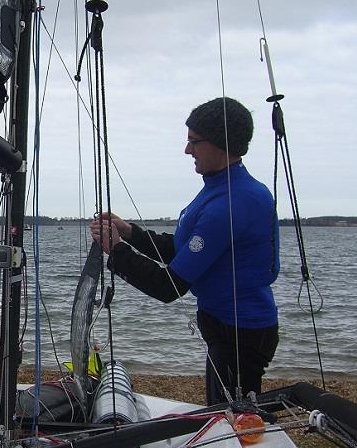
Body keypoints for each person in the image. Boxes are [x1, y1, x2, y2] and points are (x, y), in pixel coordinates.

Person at [90, 97, 279, 405]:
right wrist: (131, 234)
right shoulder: (221, 188)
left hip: (240, 334)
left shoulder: (233, 202)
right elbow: (184, 249)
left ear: (220, 143)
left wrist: (117, 251)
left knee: (234, 418)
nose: (187, 150)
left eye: (194, 142)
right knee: (223, 412)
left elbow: (170, 287)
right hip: (224, 327)